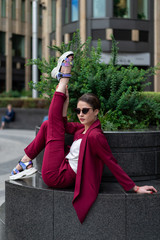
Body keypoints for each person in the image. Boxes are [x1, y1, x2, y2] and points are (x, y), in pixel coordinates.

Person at [9, 51, 158, 223]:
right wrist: (65, 104)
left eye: (85, 111)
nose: (80, 114)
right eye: (78, 110)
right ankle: (24, 162)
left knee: (53, 123)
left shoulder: (95, 136)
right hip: (61, 165)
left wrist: (135, 187)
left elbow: (111, 162)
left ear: (96, 112)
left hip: (57, 176)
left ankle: (64, 77)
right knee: (48, 124)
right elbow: (62, 125)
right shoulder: (82, 128)